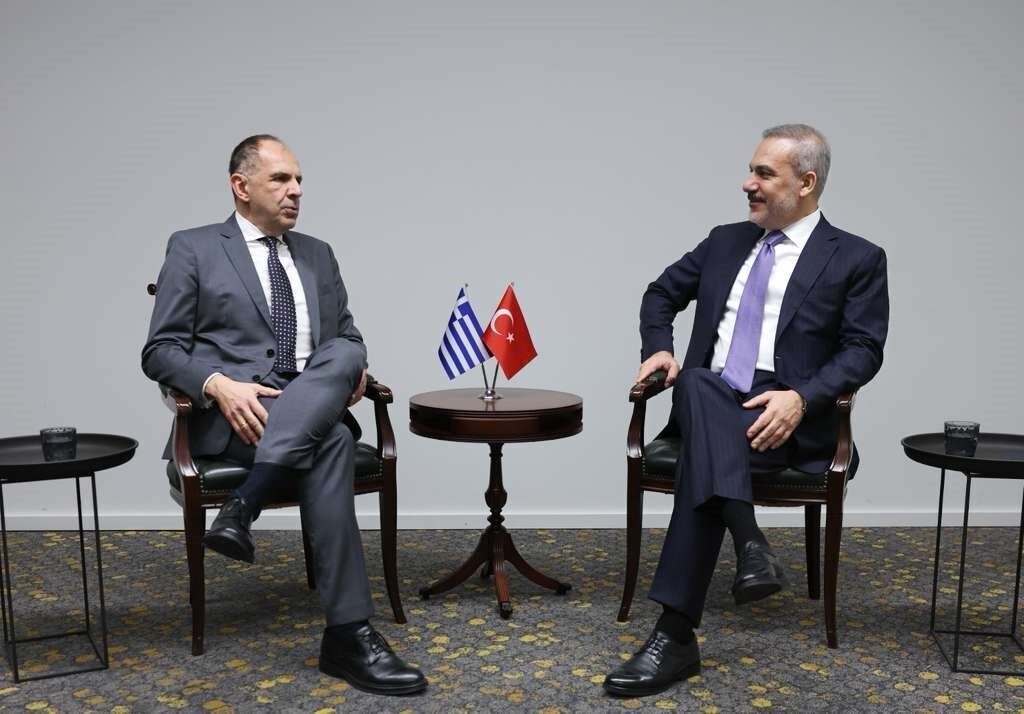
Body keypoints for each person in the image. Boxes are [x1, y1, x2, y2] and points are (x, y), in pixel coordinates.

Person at [603, 124, 889, 697]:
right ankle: (750, 542)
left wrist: (801, 398)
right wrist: (658, 347)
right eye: (750, 171)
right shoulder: (724, 241)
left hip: (783, 421)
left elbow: (863, 349)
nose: (747, 184)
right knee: (699, 381)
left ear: (806, 183)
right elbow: (661, 293)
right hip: (708, 400)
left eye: (763, 173)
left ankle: (675, 636)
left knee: (704, 462)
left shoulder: (857, 257)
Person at [142, 135, 426, 696]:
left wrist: (349, 369)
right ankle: (349, 635)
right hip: (243, 417)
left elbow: (348, 337)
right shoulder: (194, 248)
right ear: (241, 186)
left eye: (298, 181)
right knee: (333, 443)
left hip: (308, 405)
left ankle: (244, 506)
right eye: (280, 179)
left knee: (344, 354)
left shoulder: (318, 253)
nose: (295, 191)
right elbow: (160, 351)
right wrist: (218, 385)